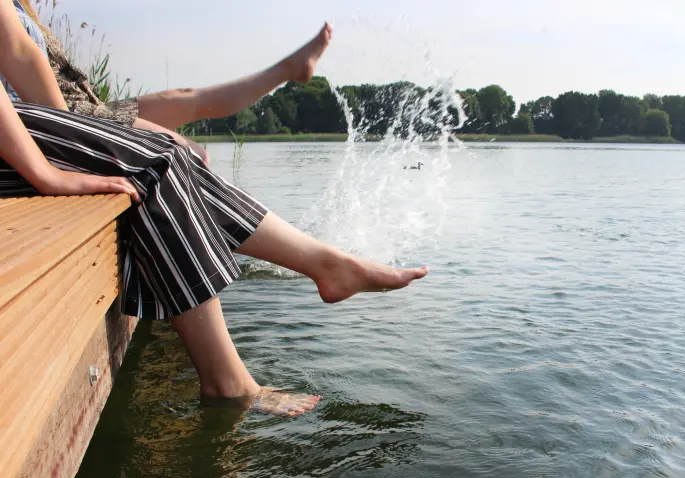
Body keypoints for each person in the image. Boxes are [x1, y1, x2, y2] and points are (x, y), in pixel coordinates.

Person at [0, 0, 428, 416]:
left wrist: (76, 137)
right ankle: (230, 383)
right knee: (161, 160)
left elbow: (19, 52)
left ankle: (330, 264)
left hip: (38, 123)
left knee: (176, 144)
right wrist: (49, 170)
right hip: (18, 140)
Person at [14, 0, 332, 165]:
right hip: (71, 116)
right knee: (190, 152)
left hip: (87, 107)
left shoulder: (21, 9)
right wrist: (70, 130)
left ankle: (287, 69)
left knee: (185, 97)